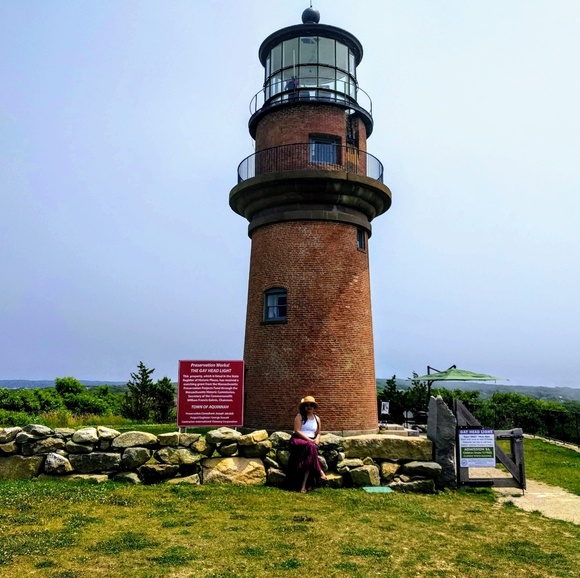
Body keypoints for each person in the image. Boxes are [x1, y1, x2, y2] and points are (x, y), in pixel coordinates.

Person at [286, 395, 327, 493]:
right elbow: (297, 431)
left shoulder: (317, 419)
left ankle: (303, 486)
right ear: (303, 407)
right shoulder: (300, 416)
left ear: (314, 407)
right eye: (306, 405)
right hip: (298, 440)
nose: (309, 407)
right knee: (311, 446)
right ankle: (320, 470)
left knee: (309, 459)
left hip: (310, 442)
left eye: (311, 405)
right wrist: (309, 440)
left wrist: (316, 439)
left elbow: (318, 433)